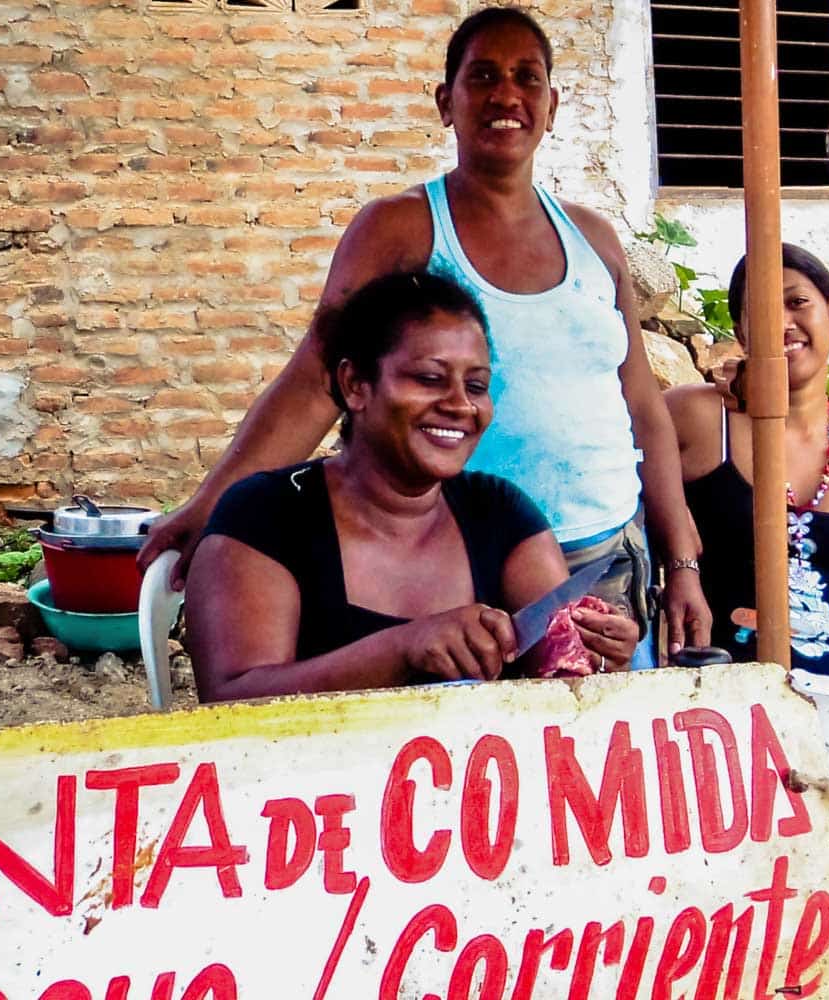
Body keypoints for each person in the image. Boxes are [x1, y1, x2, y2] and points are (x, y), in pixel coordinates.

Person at [141, 6, 711, 666]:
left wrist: (682, 561)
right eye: (483, 76)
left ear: (551, 105)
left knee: (593, 753)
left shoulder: (595, 240)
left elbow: (643, 409)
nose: (506, 94)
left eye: (527, 78)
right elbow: (315, 380)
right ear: (447, 102)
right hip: (468, 567)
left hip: (604, 567)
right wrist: (212, 502)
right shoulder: (401, 230)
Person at [186, 271, 639, 703]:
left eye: (477, 385)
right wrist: (401, 650)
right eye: (428, 379)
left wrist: (595, 653)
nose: (461, 405)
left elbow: (556, 668)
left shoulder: (500, 513)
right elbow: (229, 703)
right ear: (355, 384)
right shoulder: (267, 516)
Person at [664, 244, 829, 679]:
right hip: (715, 707)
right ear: (742, 333)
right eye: (760, 309)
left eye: (797, 302)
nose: (782, 323)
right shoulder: (697, 418)